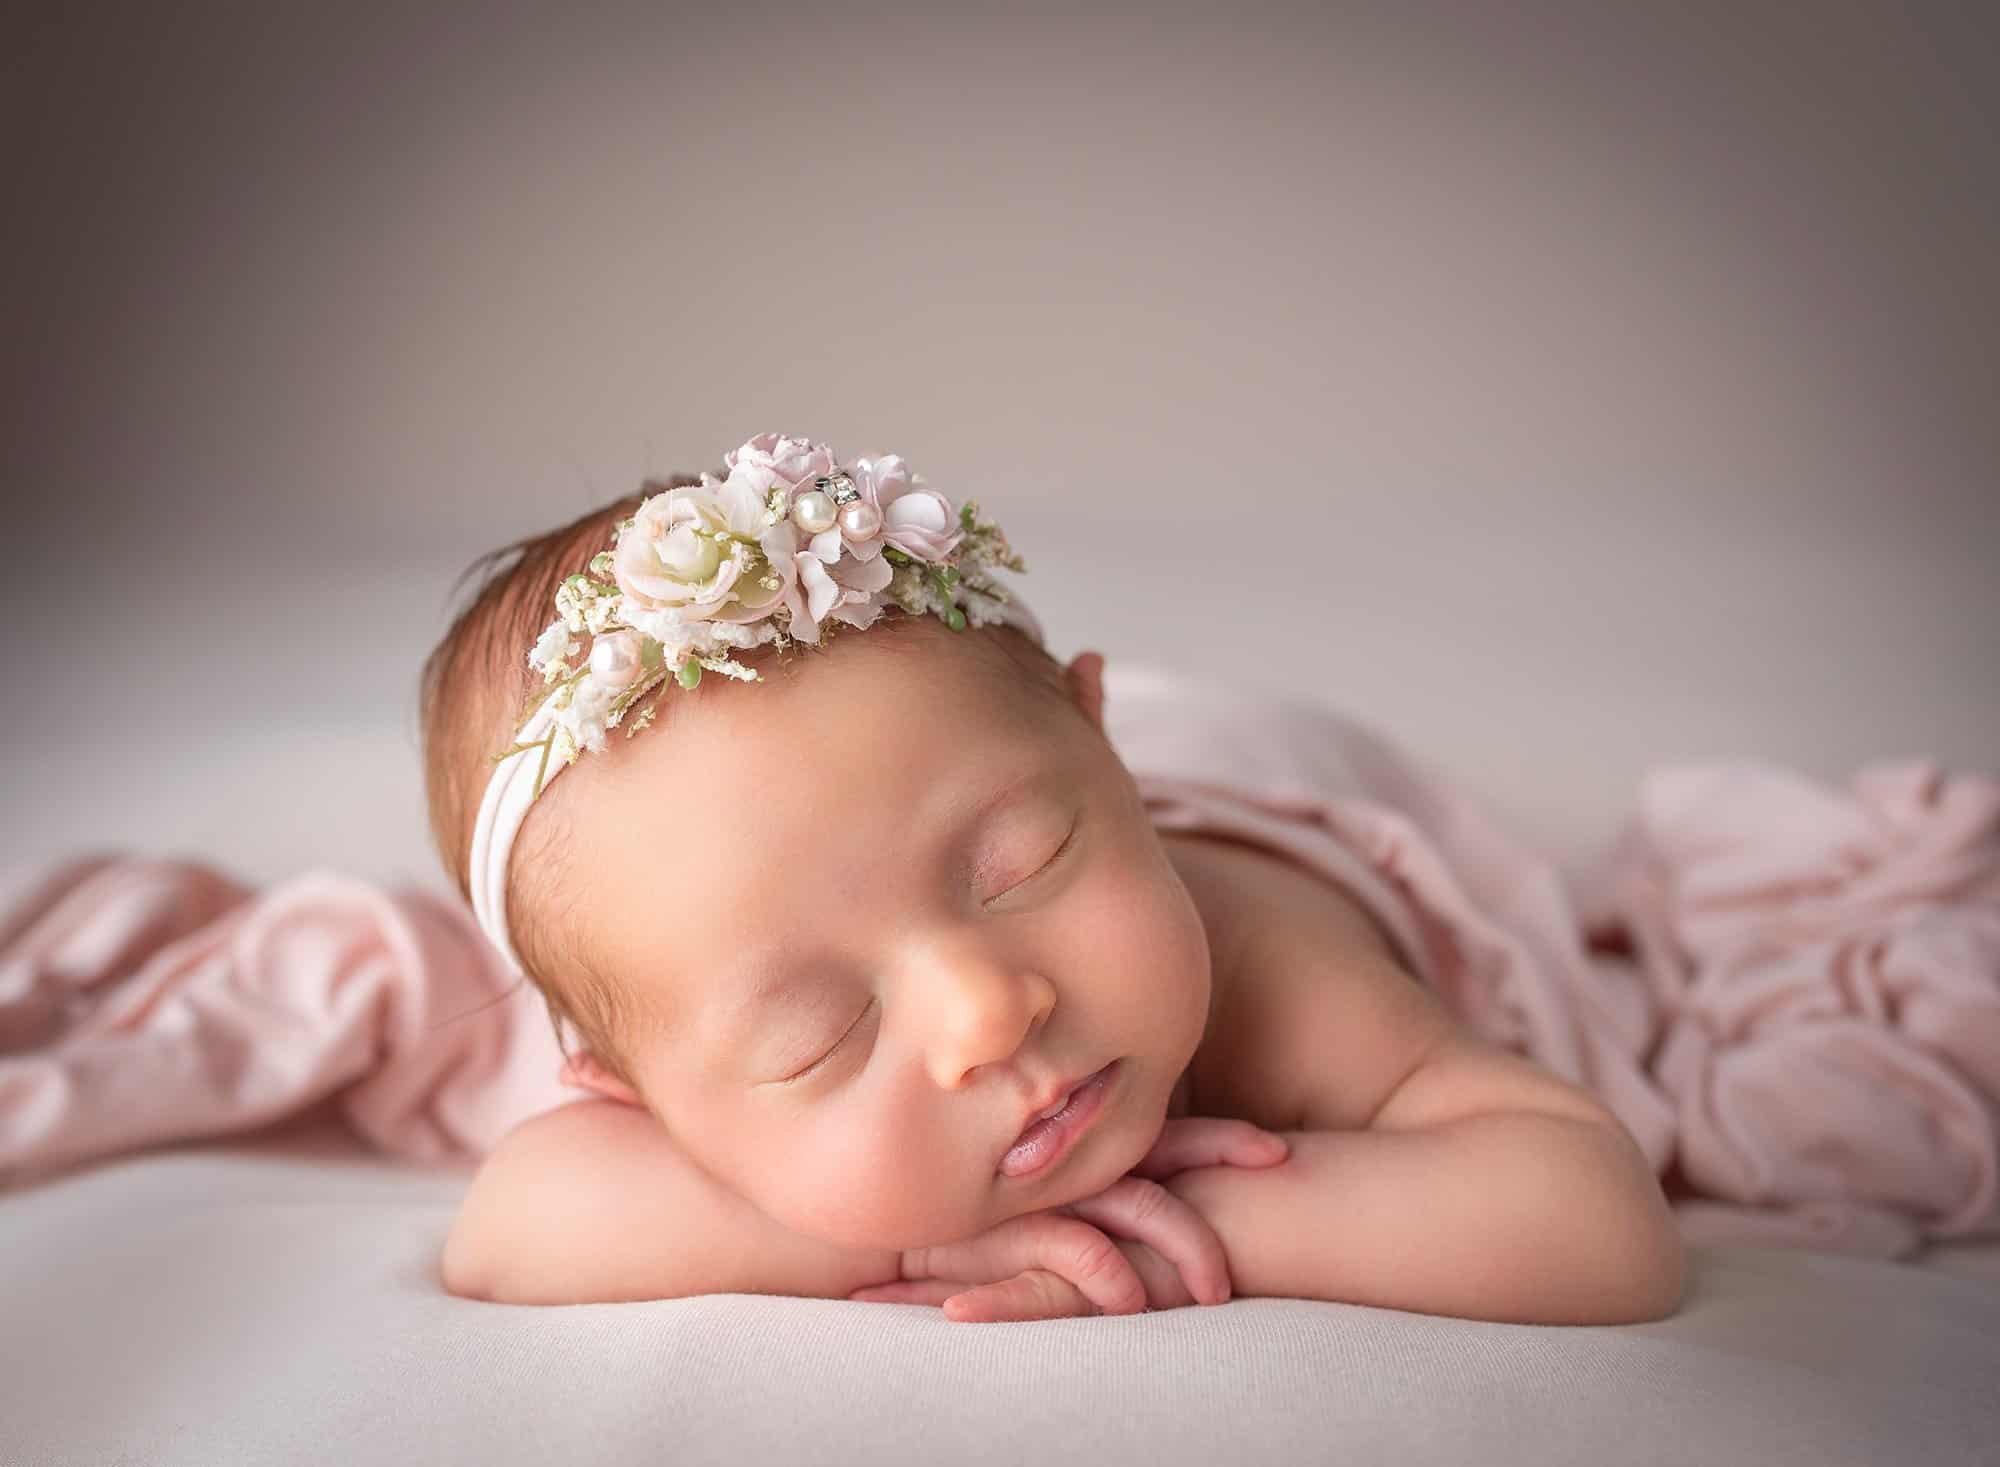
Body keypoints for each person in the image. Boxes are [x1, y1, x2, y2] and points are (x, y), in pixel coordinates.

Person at [420, 432, 1683, 1324]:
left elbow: (1593, 1220)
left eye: (1021, 865)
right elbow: (506, 1226)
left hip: (1267, 766)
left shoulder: (1267, 971)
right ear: (623, 1092)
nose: (986, 1011)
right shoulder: (685, 981)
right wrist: (918, 1234)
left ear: (1104, 746)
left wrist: (1191, 1225)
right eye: (821, 1034)